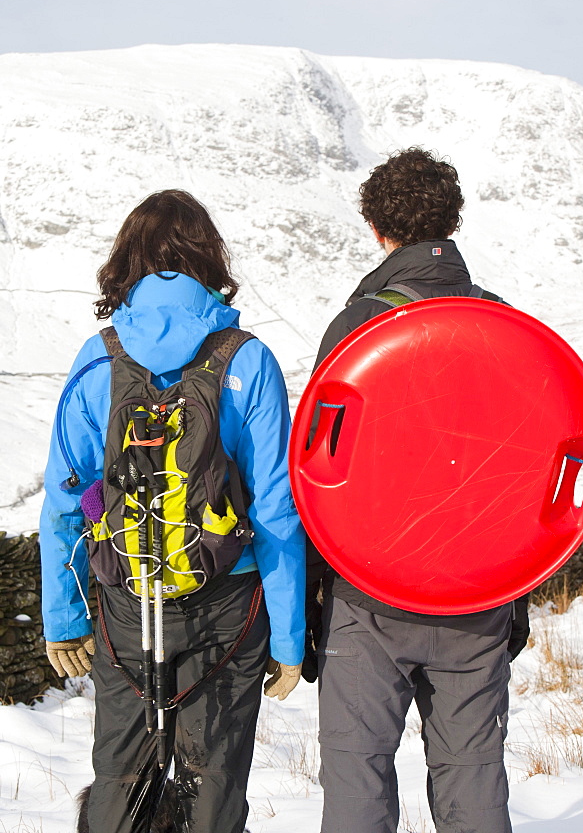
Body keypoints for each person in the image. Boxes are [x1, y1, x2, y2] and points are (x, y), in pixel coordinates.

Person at [40, 190, 305, 833]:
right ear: (210, 261)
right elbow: (276, 510)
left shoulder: (98, 358)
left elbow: (65, 500)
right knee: (213, 775)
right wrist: (290, 637)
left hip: (127, 600)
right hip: (229, 601)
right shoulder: (247, 359)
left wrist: (62, 618)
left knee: (121, 771)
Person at [307, 148, 530, 833]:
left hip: (368, 593)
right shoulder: (505, 327)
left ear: (377, 228)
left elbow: (318, 471)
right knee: (474, 779)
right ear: (451, 222)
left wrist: (318, 597)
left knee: (357, 775)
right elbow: (529, 468)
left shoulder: (356, 330)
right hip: (478, 591)